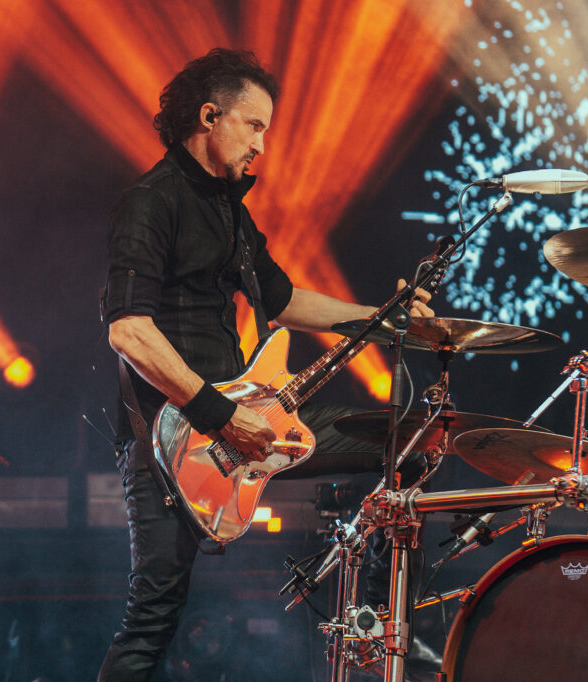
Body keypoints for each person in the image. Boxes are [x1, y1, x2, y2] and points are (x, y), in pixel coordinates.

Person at [97, 48, 434, 680]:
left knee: (410, 441)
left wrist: (381, 317)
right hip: (173, 441)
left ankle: (387, 623)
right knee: (154, 616)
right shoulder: (151, 202)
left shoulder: (228, 208)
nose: (262, 145)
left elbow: (279, 299)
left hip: (246, 415)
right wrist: (221, 416)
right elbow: (130, 332)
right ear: (209, 115)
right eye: (254, 126)